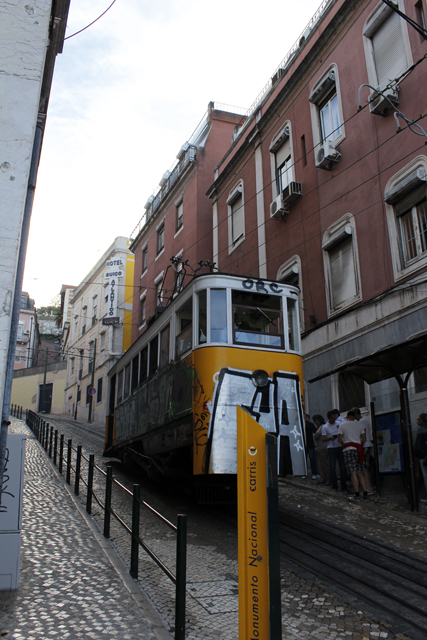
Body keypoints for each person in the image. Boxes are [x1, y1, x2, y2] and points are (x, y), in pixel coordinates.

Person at [338, 411, 367, 500]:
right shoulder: (359, 425)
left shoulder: (342, 425)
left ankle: (356, 493)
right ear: (354, 417)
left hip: (348, 449)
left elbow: (339, 439)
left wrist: (346, 442)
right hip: (358, 449)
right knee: (359, 471)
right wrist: (357, 441)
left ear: (347, 417)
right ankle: (365, 492)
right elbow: (364, 439)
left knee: (352, 472)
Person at [322, 410, 347, 491]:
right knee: (332, 467)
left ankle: (344, 485)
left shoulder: (339, 424)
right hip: (331, 448)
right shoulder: (325, 427)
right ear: (329, 418)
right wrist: (330, 438)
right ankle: (334, 485)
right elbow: (323, 438)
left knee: (342, 467)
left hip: (340, 446)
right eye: (332, 418)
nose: (334, 419)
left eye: (334, 418)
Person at [352, 407, 374, 494]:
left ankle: (368, 487)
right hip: (366, 445)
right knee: (364, 467)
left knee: (364, 468)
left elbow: (362, 434)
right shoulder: (362, 421)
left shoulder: (362, 421)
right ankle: (368, 487)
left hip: (365, 446)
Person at [313, 414, 330, 484]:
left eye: (316, 420)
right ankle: (323, 478)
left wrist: (313, 435)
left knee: (325, 464)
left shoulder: (322, 427)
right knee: (321, 465)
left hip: (323, 448)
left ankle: (328, 479)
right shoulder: (319, 427)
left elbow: (316, 436)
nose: (316, 422)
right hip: (319, 448)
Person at [414, 413, 427, 494]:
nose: (417, 421)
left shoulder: (422, 430)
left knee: (425, 476)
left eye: (418, 419)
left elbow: (419, 445)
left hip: (423, 455)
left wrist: (416, 453)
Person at [305, 414, 320, 479]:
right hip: (310, 443)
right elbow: (315, 432)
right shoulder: (310, 424)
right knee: (312, 459)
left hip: (302, 444)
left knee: (304, 459)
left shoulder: (300, 424)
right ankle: (314, 473)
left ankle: (303, 473)